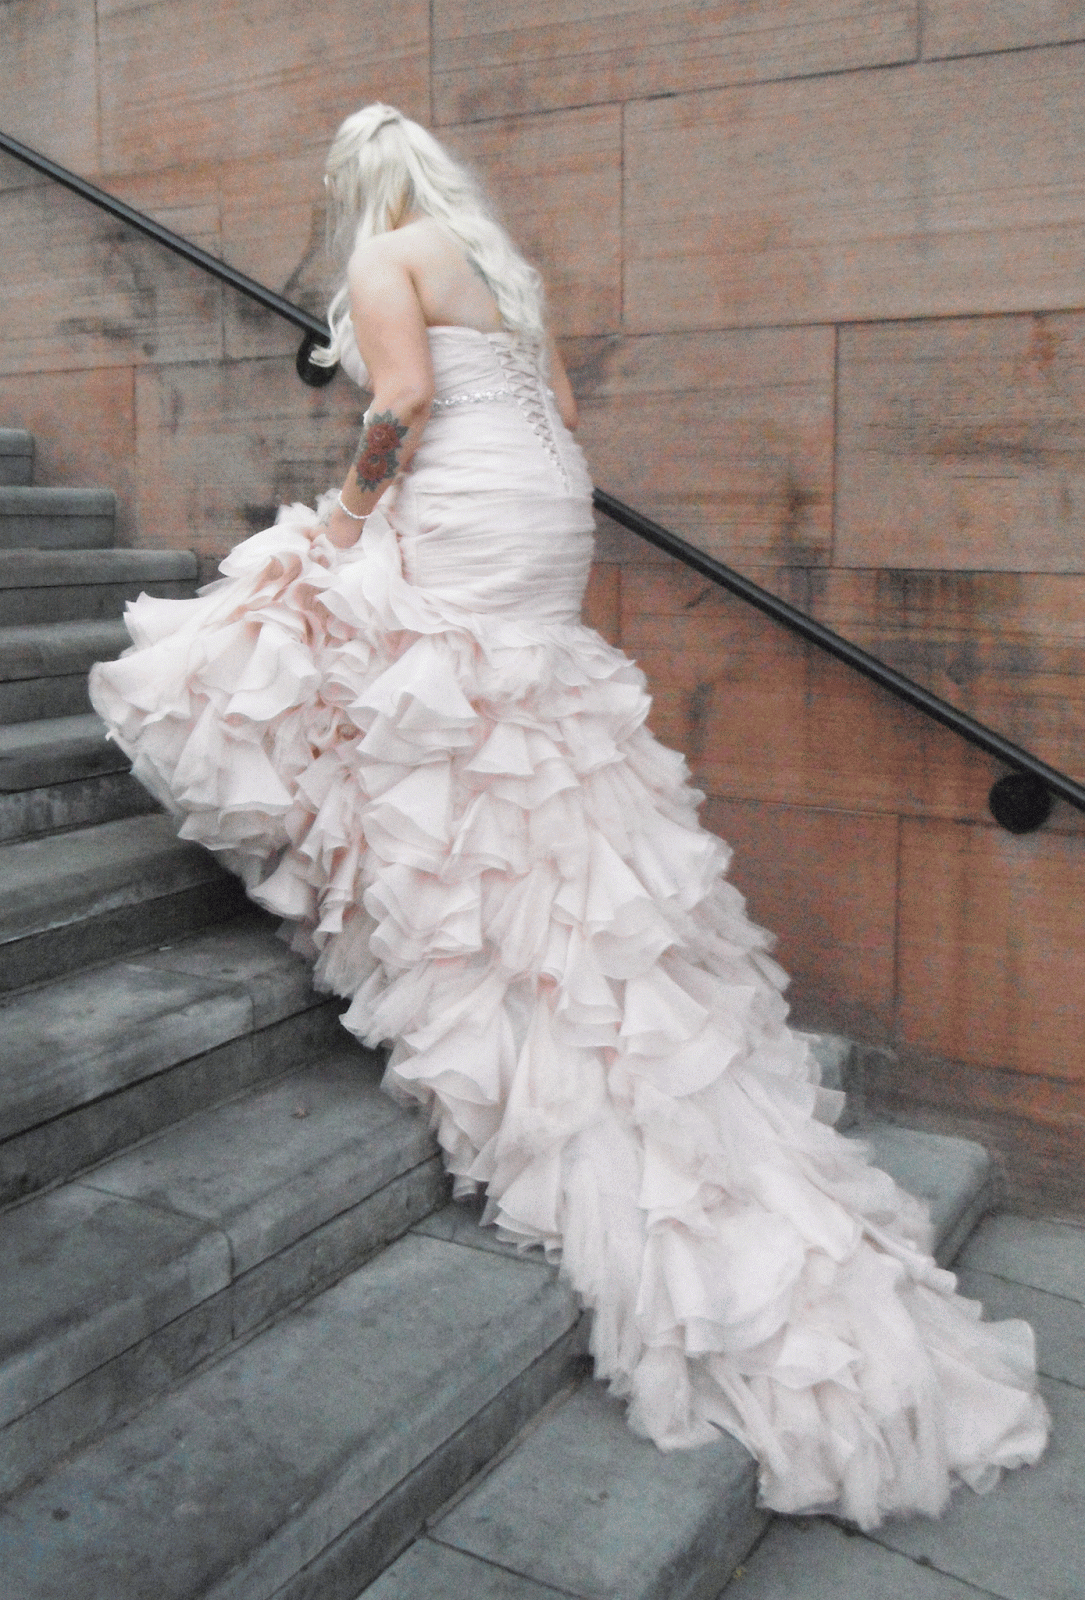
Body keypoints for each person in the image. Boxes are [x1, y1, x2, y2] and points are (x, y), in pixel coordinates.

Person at [89, 103, 1048, 1530]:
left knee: (310, 608)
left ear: (357, 191)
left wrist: (346, 516)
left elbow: (401, 407)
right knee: (507, 729)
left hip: (470, 503)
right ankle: (531, 938)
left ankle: (460, 934)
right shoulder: (497, 262)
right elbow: (564, 414)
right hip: (549, 512)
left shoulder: (386, 259)